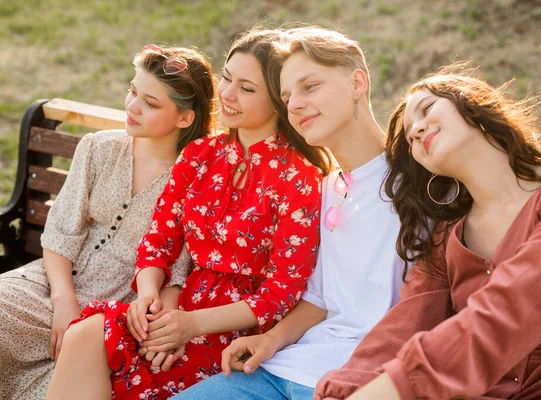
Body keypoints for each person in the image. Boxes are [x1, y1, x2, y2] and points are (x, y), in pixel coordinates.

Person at [46, 29, 330, 400]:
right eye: (227, 78)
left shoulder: (298, 177)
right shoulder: (199, 154)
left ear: (279, 100)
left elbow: (281, 292)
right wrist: (149, 298)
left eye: (246, 88)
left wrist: (190, 326)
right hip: (175, 304)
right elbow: (159, 241)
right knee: (84, 335)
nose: (226, 94)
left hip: (237, 329)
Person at [315, 63, 541, 399]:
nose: (418, 130)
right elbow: (403, 327)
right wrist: (344, 391)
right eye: (410, 137)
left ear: (473, 103)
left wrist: (392, 389)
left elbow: (511, 312)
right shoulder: (446, 238)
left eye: (427, 109)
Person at [173, 26, 407, 400]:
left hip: (364, 378)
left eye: (309, 86)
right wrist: (269, 339)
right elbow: (319, 299)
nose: (294, 104)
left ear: (358, 83)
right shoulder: (330, 187)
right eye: (286, 95)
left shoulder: (415, 184)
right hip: (286, 367)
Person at [0, 44, 216, 399]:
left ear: (184, 118)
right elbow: (60, 233)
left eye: (150, 102)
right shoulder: (99, 148)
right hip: (54, 283)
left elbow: (177, 270)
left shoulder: (195, 179)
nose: (132, 106)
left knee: (68, 372)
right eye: (133, 91)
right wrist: (63, 300)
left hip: (121, 307)